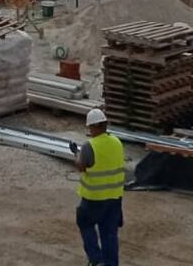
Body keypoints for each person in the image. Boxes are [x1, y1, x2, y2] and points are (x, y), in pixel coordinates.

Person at [72, 107, 125, 266]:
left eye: (90, 127)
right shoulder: (117, 142)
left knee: (85, 224)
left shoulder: (90, 146)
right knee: (109, 234)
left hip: (93, 199)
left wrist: (76, 154)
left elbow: (82, 167)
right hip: (114, 198)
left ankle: (95, 259)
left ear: (93, 126)